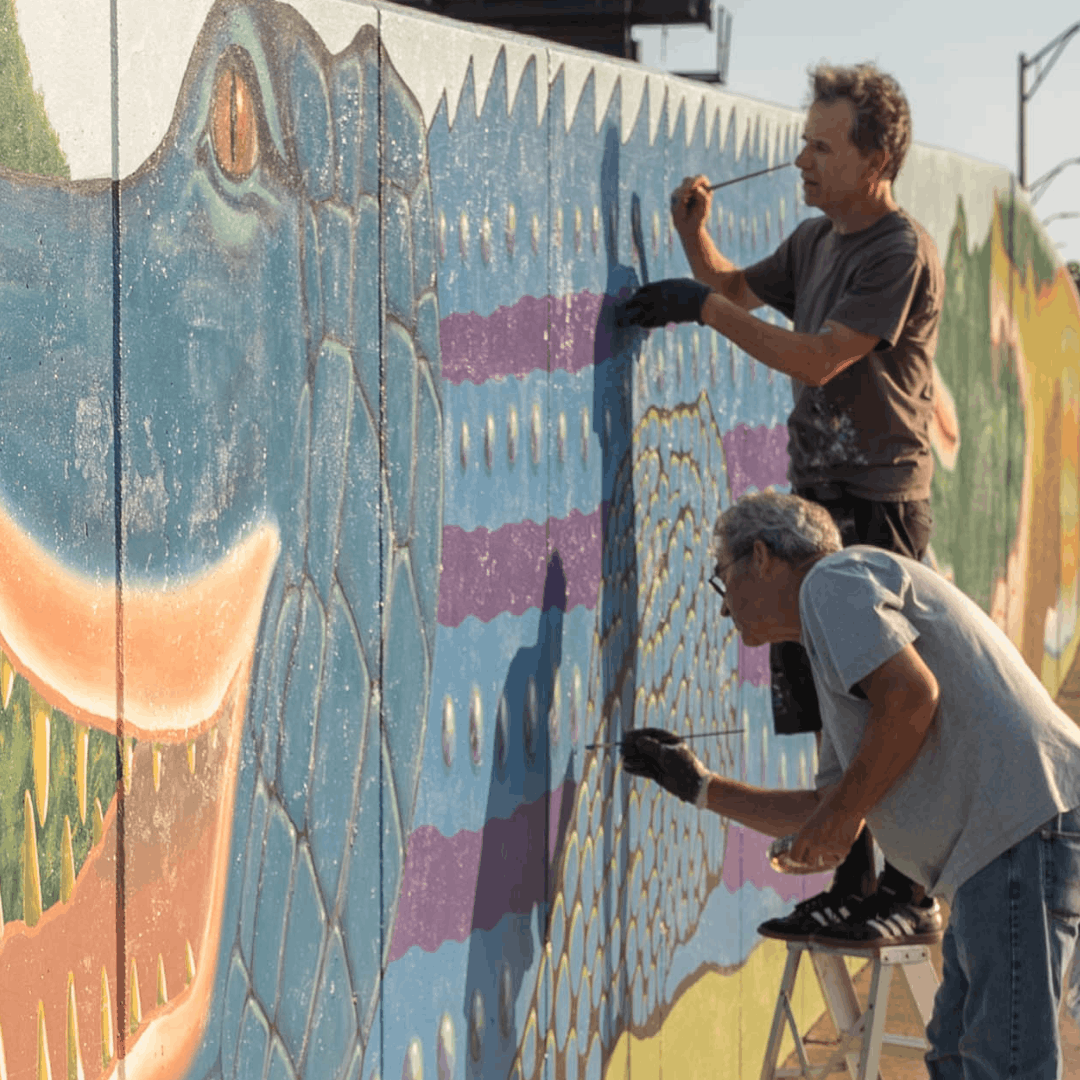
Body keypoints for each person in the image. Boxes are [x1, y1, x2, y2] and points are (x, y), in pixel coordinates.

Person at [619, 62, 945, 947]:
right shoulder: (815, 242)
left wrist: (701, 311)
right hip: (819, 501)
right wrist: (697, 242)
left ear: (877, 159)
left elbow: (821, 359)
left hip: (876, 502)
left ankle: (904, 891)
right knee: (821, 701)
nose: (802, 159)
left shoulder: (895, 250)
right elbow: (733, 292)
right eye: (803, 142)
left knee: (879, 694)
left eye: (822, 146)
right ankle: (851, 881)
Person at [622, 490, 1080, 1080]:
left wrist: (838, 821)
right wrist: (700, 787)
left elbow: (913, 698)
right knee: (956, 1055)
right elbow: (829, 803)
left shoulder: (830, 583)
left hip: (1018, 831)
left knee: (1001, 1063)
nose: (724, 606)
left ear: (761, 557)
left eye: (722, 579)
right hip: (1000, 847)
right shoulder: (832, 629)